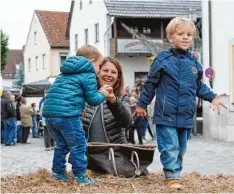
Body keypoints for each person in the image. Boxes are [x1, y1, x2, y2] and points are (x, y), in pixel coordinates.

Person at [133, 17, 227, 189]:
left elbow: (199, 86)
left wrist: (213, 97)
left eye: (189, 35)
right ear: (170, 37)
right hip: (165, 114)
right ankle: (172, 176)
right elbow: (150, 84)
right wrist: (141, 104)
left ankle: (174, 173)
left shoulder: (194, 63)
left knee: (181, 149)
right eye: (181, 34)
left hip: (185, 116)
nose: (186, 37)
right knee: (170, 147)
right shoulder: (162, 59)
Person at [42, 45, 109, 184]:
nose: (99, 69)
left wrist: (79, 107)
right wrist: (103, 92)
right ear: (91, 60)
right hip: (67, 115)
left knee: (62, 144)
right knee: (79, 145)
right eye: (99, 64)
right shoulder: (88, 73)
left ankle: (58, 172)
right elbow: (93, 99)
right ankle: (80, 176)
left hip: (49, 115)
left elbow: (68, 94)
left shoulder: (64, 73)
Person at [82, 56, 132, 144]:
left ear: (118, 77)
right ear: (98, 73)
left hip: (114, 154)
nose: (109, 74)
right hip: (85, 154)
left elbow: (126, 123)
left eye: (113, 72)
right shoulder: (85, 94)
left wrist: (114, 102)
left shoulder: (122, 97)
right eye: (105, 70)